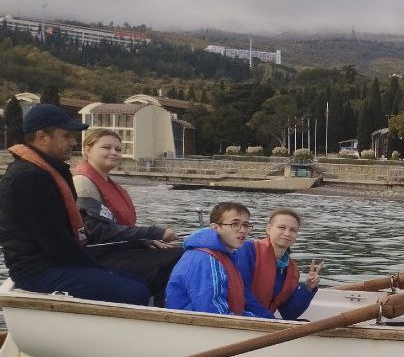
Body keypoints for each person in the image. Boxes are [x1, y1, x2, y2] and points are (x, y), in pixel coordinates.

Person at [0, 104, 150, 304]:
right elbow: (54, 243)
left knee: (139, 280)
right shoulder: (29, 178)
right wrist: (97, 268)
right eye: (66, 136)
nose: (73, 142)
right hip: (37, 271)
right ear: (41, 136)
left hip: (52, 263)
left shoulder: (42, 172)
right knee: (136, 291)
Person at [72, 127, 182, 304]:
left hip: (115, 251)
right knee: (177, 258)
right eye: (106, 147)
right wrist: (154, 232)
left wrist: (144, 242)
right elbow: (97, 230)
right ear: (88, 149)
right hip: (98, 257)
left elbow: (114, 228)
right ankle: (166, 313)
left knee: (178, 253)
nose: (114, 152)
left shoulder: (108, 183)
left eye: (118, 149)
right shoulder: (83, 183)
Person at [165, 202, 266, 316]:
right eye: (235, 224)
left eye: (246, 225)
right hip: (193, 328)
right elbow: (212, 313)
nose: (242, 230)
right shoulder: (206, 260)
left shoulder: (224, 256)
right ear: (215, 228)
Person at [233, 207, 323, 320]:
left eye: (293, 230)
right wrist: (270, 319)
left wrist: (308, 288)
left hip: (264, 321)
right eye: (282, 227)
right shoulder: (247, 250)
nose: (287, 233)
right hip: (238, 317)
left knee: (304, 323)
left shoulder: (292, 269)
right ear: (269, 229)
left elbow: (289, 313)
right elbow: (240, 292)